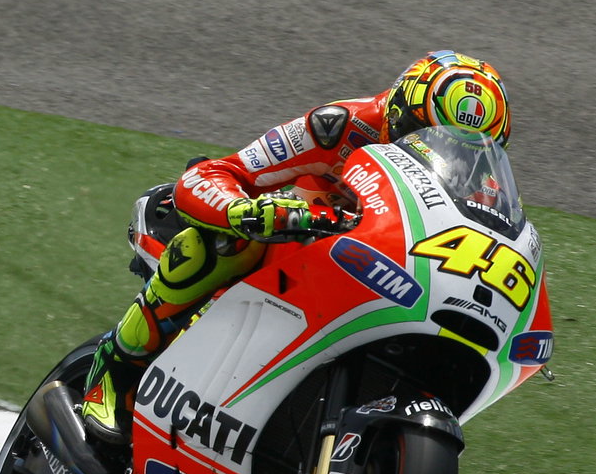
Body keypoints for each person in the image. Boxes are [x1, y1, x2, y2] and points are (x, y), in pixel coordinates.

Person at [79, 49, 512, 443]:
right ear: (397, 115)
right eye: (426, 135)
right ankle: (114, 368)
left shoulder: (480, 185)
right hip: (285, 250)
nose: (451, 161)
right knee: (231, 241)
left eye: (469, 152)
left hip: (369, 277)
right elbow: (210, 176)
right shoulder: (340, 126)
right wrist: (245, 213)